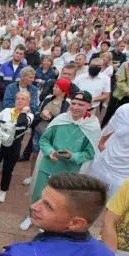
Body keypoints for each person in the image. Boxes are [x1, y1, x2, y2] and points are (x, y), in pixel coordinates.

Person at [20, 91, 100, 231]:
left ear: (89, 105)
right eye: (73, 103)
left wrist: (72, 157)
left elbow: (89, 153)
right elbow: (44, 140)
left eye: (80, 104)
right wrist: (49, 151)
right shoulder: (61, 119)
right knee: (39, 193)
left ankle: (47, 222)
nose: (75, 107)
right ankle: (30, 216)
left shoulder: (92, 126)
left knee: (58, 200)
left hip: (69, 171)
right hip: (48, 165)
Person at [22, 79, 72, 186]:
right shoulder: (48, 98)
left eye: (57, 87)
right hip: (39, 131)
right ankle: (32, 176)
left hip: (53, 136)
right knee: (35, 155)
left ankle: (46, 176)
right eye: (54, 86)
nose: (54, 88)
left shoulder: (67, 103)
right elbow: (38, 111)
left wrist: (50, 117)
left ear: (63, 90)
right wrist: (42, 114)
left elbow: (65, 120)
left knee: (50, 156)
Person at [0, 91, 34, 203]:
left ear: (28, 102)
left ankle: (3, 190)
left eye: (23, 99)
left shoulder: (29, 115)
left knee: (8, 169)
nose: (19, 101)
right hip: (0, 142)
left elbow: (21, 123)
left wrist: (23, 111)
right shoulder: (7, 110)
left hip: (14, 145)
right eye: (18, 98)